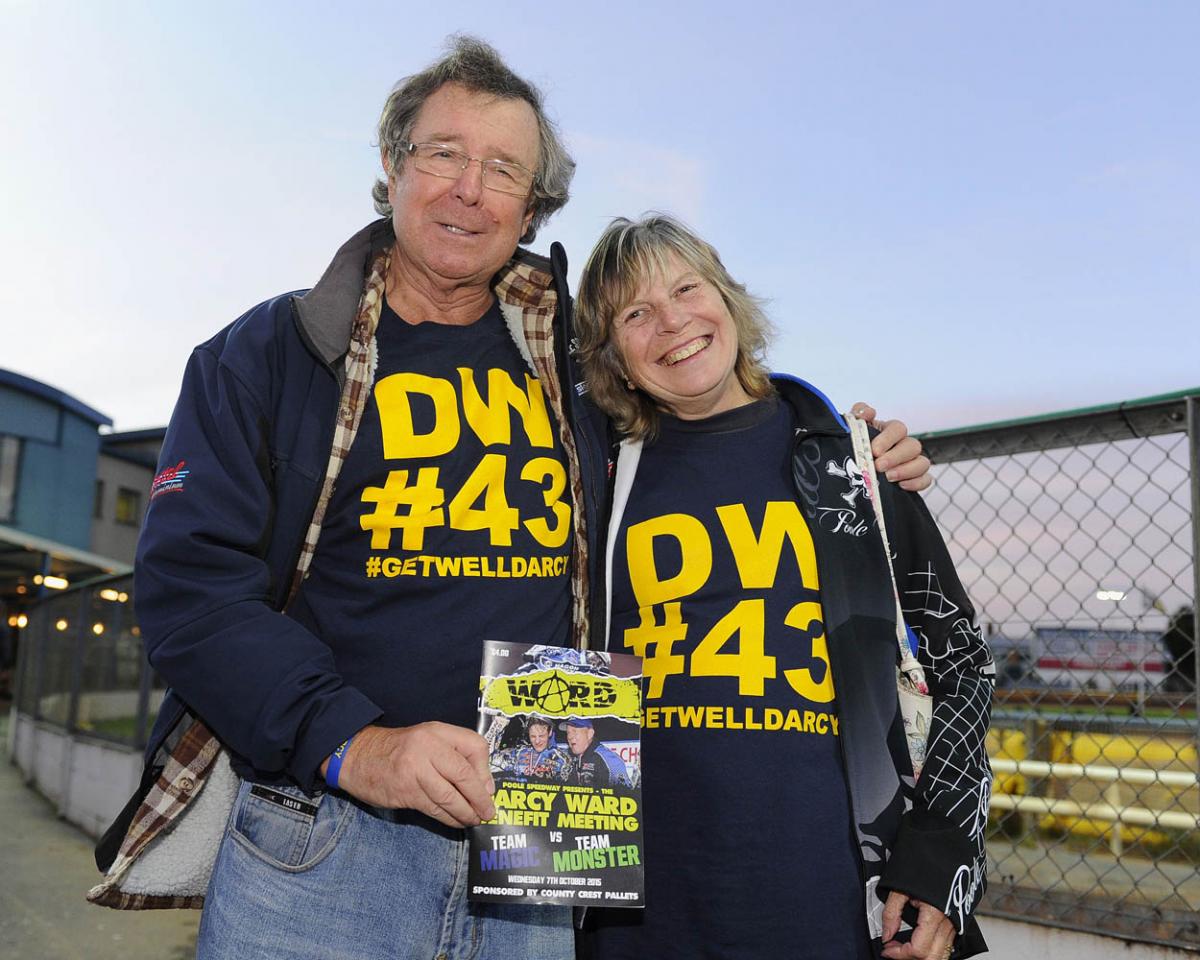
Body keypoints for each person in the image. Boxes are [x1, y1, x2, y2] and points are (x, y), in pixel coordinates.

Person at [104, 38, 931, 960]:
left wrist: (851, 453)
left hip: (544, 847)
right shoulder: (270, 353)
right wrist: (356, 745)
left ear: (532, 207)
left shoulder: (579, 374)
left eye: (503, 170)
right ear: (391, 168)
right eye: (443, 154)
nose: (468, 188)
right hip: (323, 841)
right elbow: (189, 592)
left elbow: (712, 424)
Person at [573, 215, 995, 960]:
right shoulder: (592, 478)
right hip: (632, 907)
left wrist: (939, 860)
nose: (672, 321)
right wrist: (547, 867)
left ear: (729, 300)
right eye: (634, 313)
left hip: (826, 897)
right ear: (613, 357)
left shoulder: (854, 465)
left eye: (685, 288)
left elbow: (963, 661)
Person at [493, 715, 571, 781]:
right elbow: (491, 763)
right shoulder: (518, 754)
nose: (537, 741)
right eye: (533, 736)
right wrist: (499, 725)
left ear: (550, 732)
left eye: (541, 736)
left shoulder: (562, 759)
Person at [563, 716, 631, 788]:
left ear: (590, 734)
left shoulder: (608, 759)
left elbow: (627, 794)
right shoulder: (568, 758)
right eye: (568, 732)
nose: (570, 736)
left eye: (575, 731)